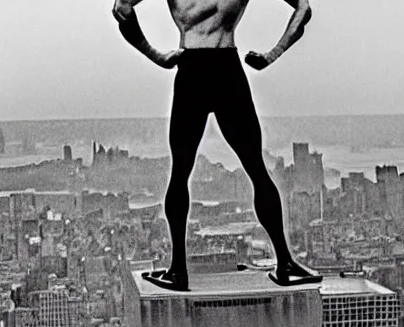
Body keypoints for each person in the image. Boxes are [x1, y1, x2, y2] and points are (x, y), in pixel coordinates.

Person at [113, 0, 322, 291]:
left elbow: (121, 9)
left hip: (192, 70)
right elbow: (303, 8)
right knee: (256, 170)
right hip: (227, 69)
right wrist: (271, 56)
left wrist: (158, 57)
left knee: (181, 172)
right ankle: (284, 261)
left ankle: (178, 270)